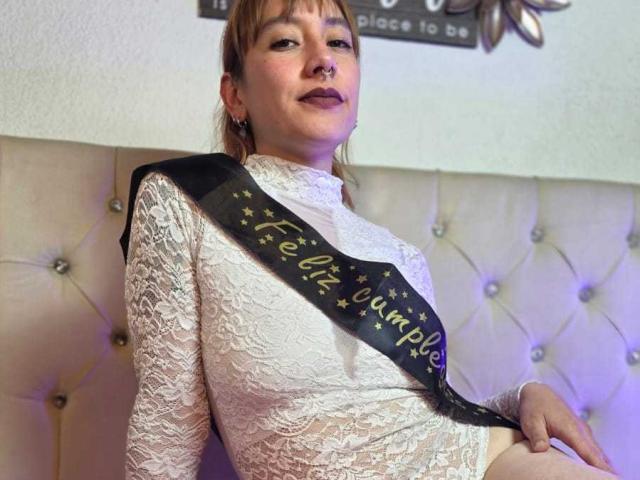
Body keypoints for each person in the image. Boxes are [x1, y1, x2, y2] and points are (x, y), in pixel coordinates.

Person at [122, 0, 618, 478]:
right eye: (286, 41)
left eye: (339, 43)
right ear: (235, 95)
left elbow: (425, 418)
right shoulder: (186, 200)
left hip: (490, 464)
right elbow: (169, 420)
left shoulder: (397, 256)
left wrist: (520, 398)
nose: (323, 61)